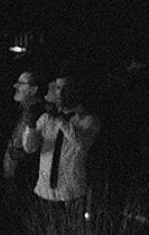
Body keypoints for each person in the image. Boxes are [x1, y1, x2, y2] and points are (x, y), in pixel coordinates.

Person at [23, 75, 101, 207]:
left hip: (71, 195)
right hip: (44, 192)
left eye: (66, 88)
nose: (60, 93)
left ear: (76, 90)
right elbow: (30, 148)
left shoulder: (88, 120)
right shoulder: (47, 118)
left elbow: (81, 145)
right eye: (58, 87)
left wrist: (61, 120)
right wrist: (31, 127)